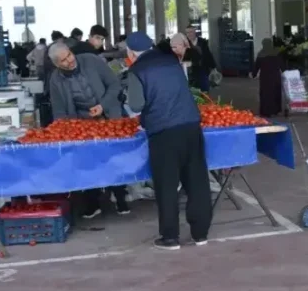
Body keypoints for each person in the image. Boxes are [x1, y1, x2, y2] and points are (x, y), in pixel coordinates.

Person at [124, 31, 211, 250]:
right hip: (191, 125)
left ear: (130, 52)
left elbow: (135, 105)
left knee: (167, 185)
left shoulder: (137, 70)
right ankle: (200, 234)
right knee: (197, 181)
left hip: (164, 132)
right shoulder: (171, 61)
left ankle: (170, 237)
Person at [46, 42, 128, 217]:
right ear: (56, 64)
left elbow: (115, 85)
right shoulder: (55, 79)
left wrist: (102, 106)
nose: (69, 61)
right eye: (63, 61)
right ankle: (93, 202)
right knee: (87, 163)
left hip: (108, 117)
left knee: (113, 159)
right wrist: (64, 130)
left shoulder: (92, 60)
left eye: (69, 55)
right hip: (82, 125)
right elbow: (59, 110)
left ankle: (121, 197)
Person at [253, 37, 285, 117]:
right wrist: (285, 71)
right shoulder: (276, 52)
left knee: (265, 94)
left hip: (265, 77)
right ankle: (276, 110)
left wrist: (254, 74)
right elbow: (282, 65)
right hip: (275, 76)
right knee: (276, 93)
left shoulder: (261, 53)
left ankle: (266, 111)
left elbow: (257, 66)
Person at [185, 27, 217, 91]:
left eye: (191, 32)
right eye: (187, 32)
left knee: (204, 88)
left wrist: (214, 67)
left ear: (195, 32)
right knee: (193, 90)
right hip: (191, 71)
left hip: (202, 69)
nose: (189, 34)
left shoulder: (202, 42)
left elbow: (208, 54)